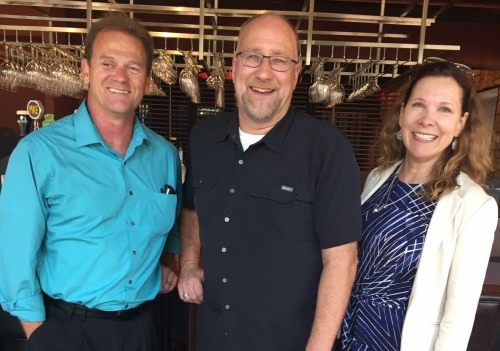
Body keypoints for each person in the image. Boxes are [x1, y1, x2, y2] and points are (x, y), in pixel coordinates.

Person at [178, 14, 362, 351]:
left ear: (295, 74)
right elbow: (192, 207)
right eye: (252, 56)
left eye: (279, 60)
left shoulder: (327, 149)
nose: (264, 72)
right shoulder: (203, 138)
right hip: (214, 338)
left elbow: (341, 261)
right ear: (234, 66)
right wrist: (189, 264)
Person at [0, 13, 182, 351]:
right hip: (66, 330)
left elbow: (170, 231)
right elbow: (14, 259)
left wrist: (167, 262)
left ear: (146, 78)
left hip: (141, 329)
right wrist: (41, 337)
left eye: (133, 67)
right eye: (108, 63)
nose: (120, 77)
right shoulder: (38, 153)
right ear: (85, 69)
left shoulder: (164, 156)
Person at [340, 60, 498, 351]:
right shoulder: (378, 177)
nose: (427, 119)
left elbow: (458, 316)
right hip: (346, 332)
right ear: (402, 113)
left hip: (398, 342)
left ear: (460, 123)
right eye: (419, 105)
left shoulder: (474, 206)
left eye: (444, 109)